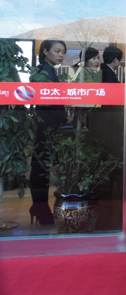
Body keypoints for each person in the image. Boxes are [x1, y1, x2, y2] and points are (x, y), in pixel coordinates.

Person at [29, 39, 70, 225]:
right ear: (45, 51)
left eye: (63, 51)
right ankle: (40, 207)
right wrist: (65, 118)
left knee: (42, 167)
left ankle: (40, 207)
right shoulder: (43, 72)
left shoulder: (49, 70)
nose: (61, 55)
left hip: (47, 125)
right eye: (57, 50)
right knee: (41, 167)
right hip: (45, 125)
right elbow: (48, 101)